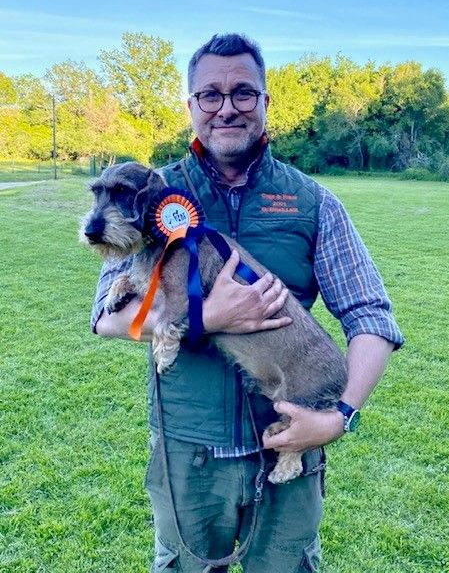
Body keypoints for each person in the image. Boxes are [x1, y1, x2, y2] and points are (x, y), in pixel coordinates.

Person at [91, 33, 404, 572]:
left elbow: (372, 314)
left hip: (287, 453)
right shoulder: (148, 194)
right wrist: (211, 317)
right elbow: (107, 318)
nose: (226, 108)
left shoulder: (313, 201)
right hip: (188, 458)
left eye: (243, 93)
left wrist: (341, 416)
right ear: (191, 106)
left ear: (265, 102)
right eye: (210, 95)